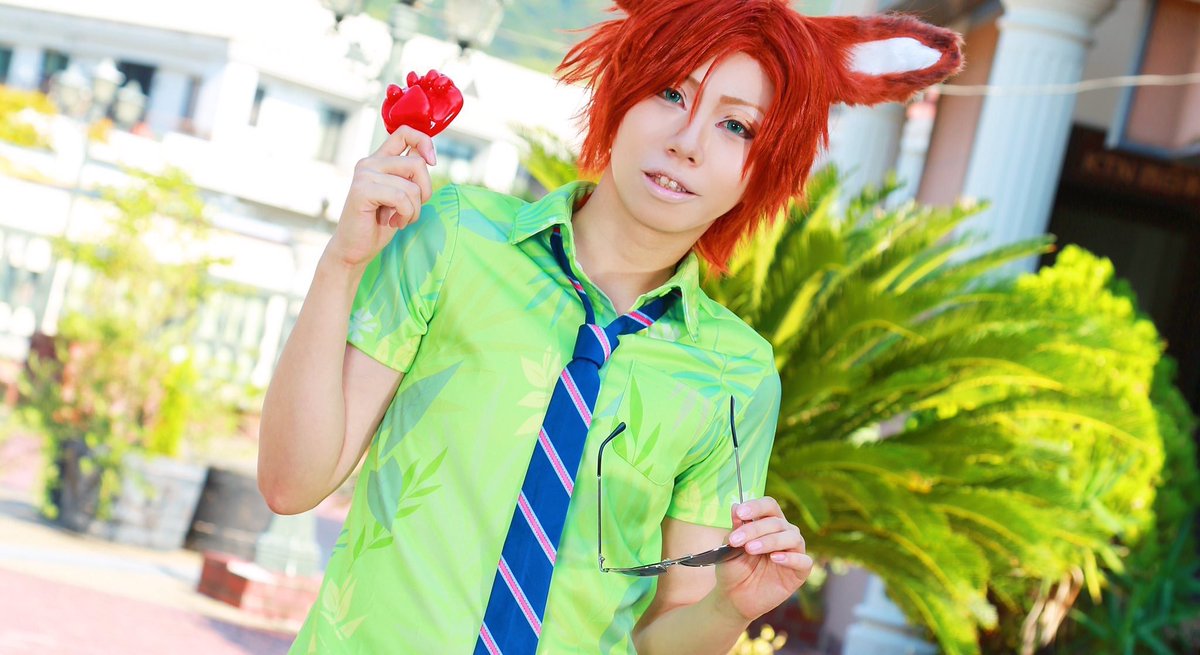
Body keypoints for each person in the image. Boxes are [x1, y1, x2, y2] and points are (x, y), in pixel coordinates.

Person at [257, 0, 962, 652]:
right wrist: (342, 263)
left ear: (763, 168)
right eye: (672, 93)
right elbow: (291, 485)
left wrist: (729, 609)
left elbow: (660, 637)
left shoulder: (737, 376)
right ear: (622, 92)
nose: (689, 142)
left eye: (736, 126)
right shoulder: (457, 237)